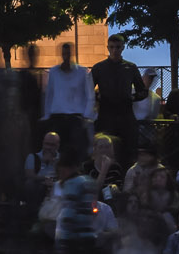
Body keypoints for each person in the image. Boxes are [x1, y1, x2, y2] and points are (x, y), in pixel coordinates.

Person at [93, 37, 148, 165]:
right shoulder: (99, 68)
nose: (115, 50)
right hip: (106, 115)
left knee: (128, 151)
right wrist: (97, 97)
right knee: (105, 150)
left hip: (125, 115)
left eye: (117, 47)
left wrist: (133, 98)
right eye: (112, 47)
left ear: (123, 47)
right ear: (108, 48)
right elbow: (88, 90)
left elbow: (143, 91)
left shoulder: (130, 68)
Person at [45, 44, 93, 159]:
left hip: (75, 118)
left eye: (68, 53)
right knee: (57, 152)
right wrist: (47, 115)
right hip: (57, 117)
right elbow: (49, 94)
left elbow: (90, 95)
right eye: (64, 53)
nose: (66, 56)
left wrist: (86, 116)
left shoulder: (82, 72)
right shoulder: (54, 72)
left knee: (76, 152)